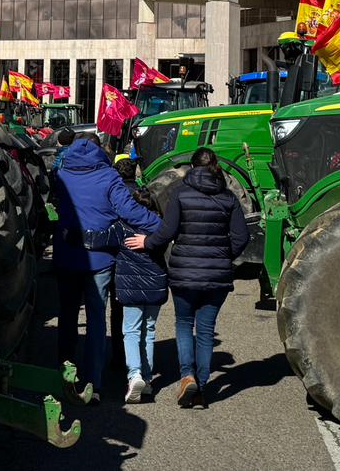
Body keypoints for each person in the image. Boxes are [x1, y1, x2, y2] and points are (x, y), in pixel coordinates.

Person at [131, 146, 248, 408]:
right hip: (217, 275)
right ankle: (201, 388)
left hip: (184, 273)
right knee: (205, 331)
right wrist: (223, 256)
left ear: (192, 168)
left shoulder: (181, 194)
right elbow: (242, 237)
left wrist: (146, 242)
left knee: (184, 324)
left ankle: (187, 376)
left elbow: (167, 232)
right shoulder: (229, 198)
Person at [52, 135, 160, 397]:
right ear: (101, 151)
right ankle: (93, 382)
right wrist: (160, 226)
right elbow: (130, 211)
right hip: (99, 258)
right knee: (96, 320)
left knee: (67, 317)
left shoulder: (61, 174)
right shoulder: (109, 177)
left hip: (67, 254)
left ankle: (65, 373)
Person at [85, 170, 166, 403]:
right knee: (148, 331)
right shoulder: (160, 228)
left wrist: (72, 233)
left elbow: (95, 239)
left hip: (130, 286)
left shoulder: (121, 228)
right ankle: (148, 379)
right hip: (156, 285)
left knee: (130, 331)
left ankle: (135, 375)